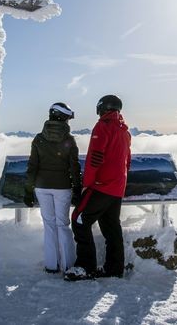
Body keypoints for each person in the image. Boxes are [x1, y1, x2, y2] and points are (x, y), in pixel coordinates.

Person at [66, 94, 132, 281]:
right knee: (111, 227)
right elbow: (127, 161)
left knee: (79, 219)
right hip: (117, 188)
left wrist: (86, 184)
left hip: (101, 186)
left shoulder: (103, 126)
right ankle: (114, 269)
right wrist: (119, 182)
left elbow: (94, 158)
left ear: (102, 108)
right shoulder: (124, 131)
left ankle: (85, 267)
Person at [24, 102, 82, 274]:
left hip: (42, 187)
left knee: (49, 225)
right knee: (62, 224)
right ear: (63, 118)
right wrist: (77, 189)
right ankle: (68, 265)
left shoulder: (38, 139)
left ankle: (51, 265)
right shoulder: (69, 140)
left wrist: (28, 191)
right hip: (62, 187)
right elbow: (74, 167)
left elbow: (32, 166)